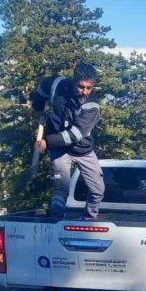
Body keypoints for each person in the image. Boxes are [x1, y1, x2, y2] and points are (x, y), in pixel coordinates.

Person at [31, 63, 105, 220]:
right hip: (60, 151)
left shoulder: (92, 106)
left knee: (98, 190)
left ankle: (89, 220)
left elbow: (74, 135)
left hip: (82, 149)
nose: (84, 92)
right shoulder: (57, 84)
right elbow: (43, 87)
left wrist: (47, 142)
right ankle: (56, 222)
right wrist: (38, 104)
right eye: (81, 87)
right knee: (61, 188)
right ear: (73, 81)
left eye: (89, 88)